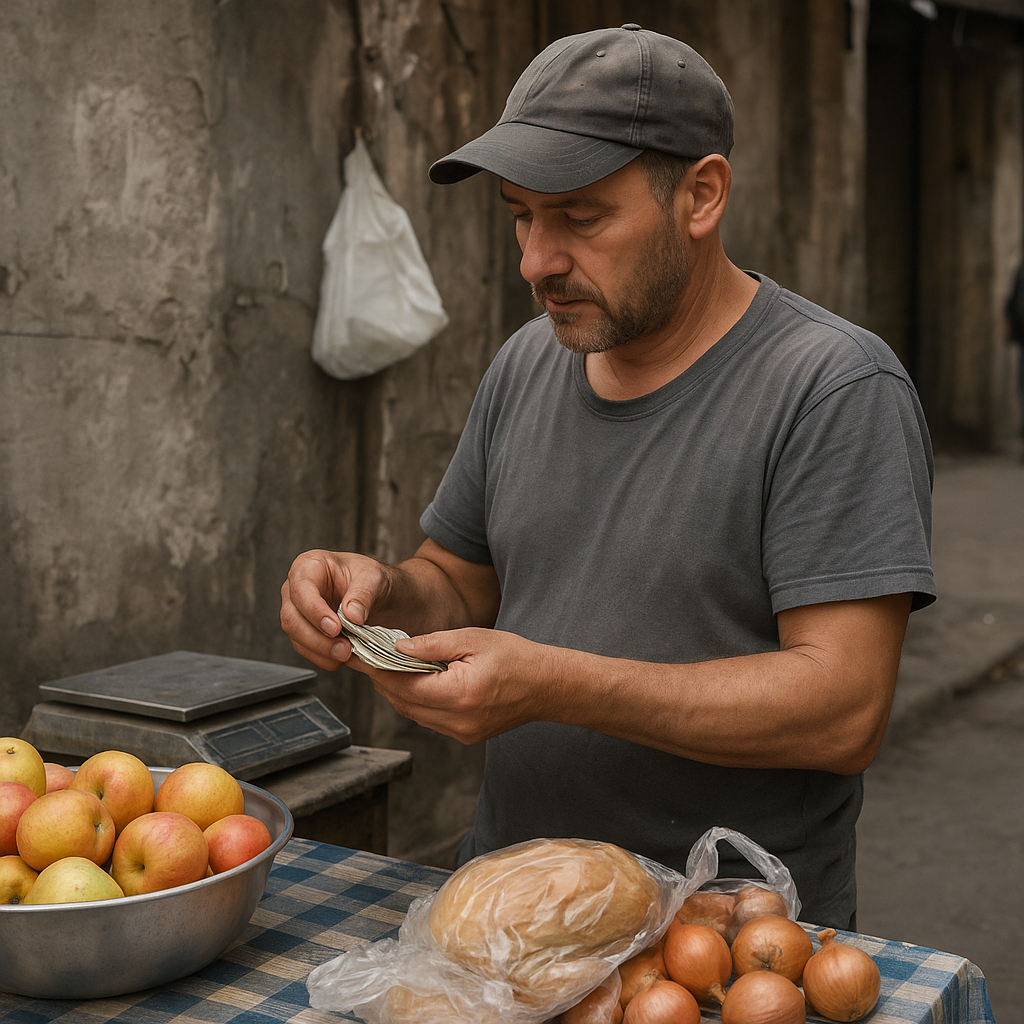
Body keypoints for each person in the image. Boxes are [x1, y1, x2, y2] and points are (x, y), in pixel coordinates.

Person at [281, 24, 935, 930]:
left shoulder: (831, 389)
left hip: (726, 942)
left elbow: (842, 710)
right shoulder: (525, 364)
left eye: (580, 218)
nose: (536, 262)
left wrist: (554, 684)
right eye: (521, 215)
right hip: (508, 913)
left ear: (701, 196)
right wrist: (379, 594)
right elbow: (456, 583)